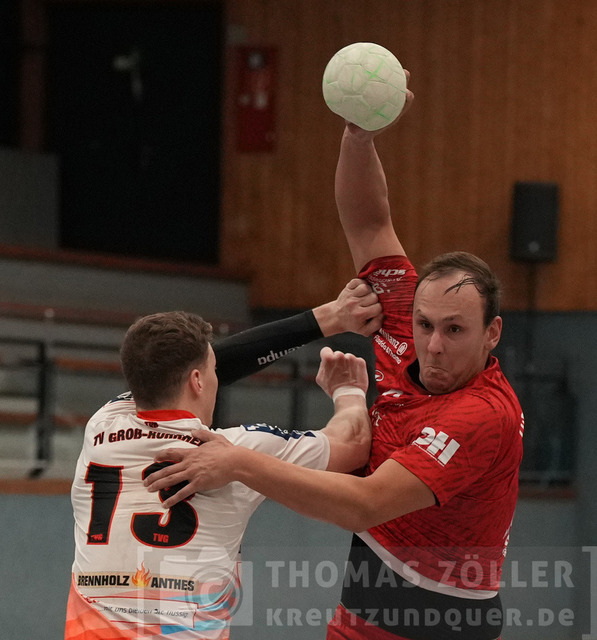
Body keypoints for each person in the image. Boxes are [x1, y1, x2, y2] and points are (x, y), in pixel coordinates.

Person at [145, 73, 524, 640]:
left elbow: (365, 504)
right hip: (360, 613)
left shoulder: (482, 415)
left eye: (455, 330)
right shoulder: (403, 323)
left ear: (492, 333)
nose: (433, 344)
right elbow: (370, 222)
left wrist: (237, 462)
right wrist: (358, 135)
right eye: (425, 325)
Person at [64, 280, 380, 640]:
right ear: (198, 380)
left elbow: (170, 371)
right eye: (212, 370)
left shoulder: (102, 427)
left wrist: (328, 318)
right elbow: (353, 442)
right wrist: (348, 390)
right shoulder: (237, 451)